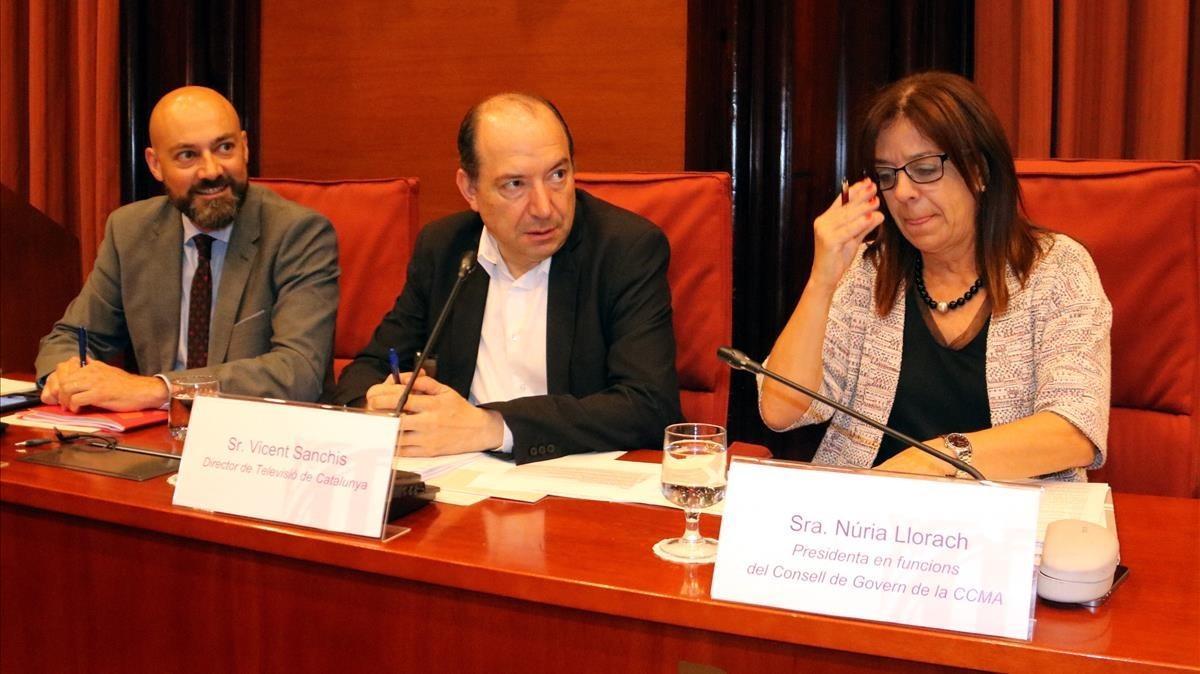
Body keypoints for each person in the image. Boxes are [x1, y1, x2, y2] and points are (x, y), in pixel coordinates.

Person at [760, 72, 1111, 482]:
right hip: (867, 527)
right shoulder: (869, 271)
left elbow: (1074, 431)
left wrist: (937, 458)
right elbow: (781, 409)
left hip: (1006, 528)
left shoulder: (1056, 269)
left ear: (979, 170)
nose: (904, 193)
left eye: (925, 169)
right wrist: (822, 279)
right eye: (888, 175)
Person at [331, 93, 681, 464]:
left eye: (558, 175)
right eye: (515, 184)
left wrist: (493, 426)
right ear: (470, 190)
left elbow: (649, 406)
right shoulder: (445, 249)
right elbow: (367, 370)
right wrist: (373, 404)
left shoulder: (624, 249)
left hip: (574, 482)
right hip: (457, 482)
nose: (545, 208)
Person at [36, 86, 339, 411]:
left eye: (224, 148)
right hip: (155, 440)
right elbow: (69, 338)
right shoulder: (129, 230)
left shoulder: (298, 234)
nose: (211, 171)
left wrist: (159, 389)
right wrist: (66, 375)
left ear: (245, 148)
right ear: (155, 164)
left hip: (260, 443)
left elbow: (299, 371)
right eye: (187, 155)